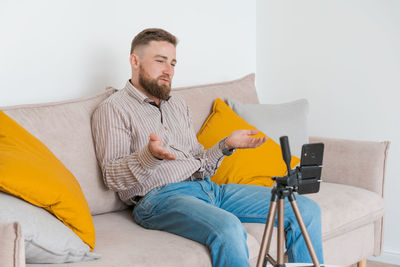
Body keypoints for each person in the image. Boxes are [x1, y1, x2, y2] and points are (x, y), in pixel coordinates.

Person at [91, 28, 324, 267]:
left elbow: (199, 163)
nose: (168, 70)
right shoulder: (113, 109)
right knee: (228, 227)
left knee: (306, 211)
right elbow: (112, 177)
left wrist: (225, 145)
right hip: (159, 199)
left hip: (209, 189)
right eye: (160, 61)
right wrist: (149, 156)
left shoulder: (177, 104)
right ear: (134, 61)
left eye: (172, 63)